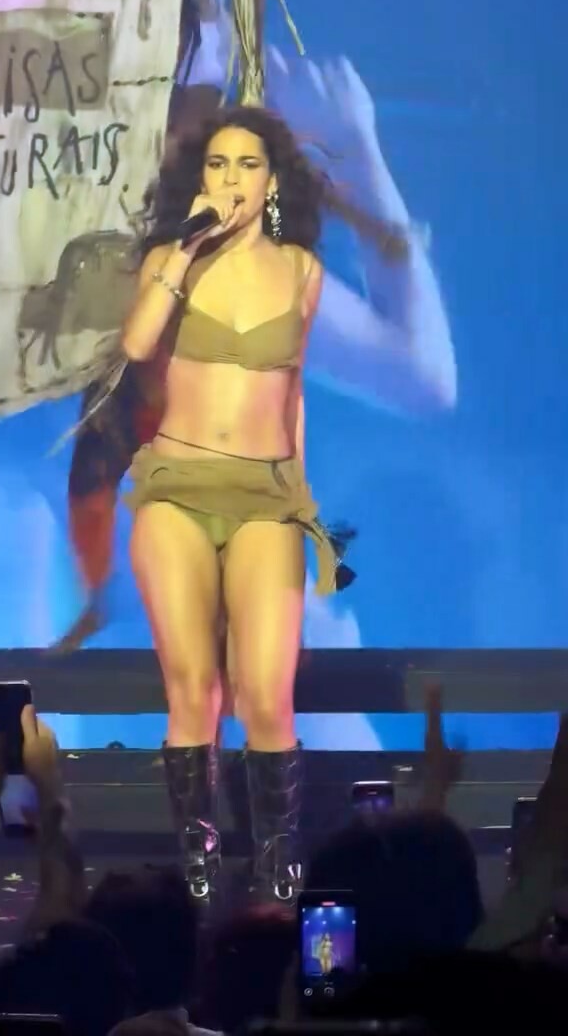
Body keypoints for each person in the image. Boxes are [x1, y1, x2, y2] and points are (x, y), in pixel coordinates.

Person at [117, 103, 409, 905]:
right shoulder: (170, 260)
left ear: (273, 182)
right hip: (177, 488)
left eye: (248, 165)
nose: (231, 179)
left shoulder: (302, 273)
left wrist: (304, 504)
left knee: (266, 694)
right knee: (194, 690)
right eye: (218, 164)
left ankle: (278, 863)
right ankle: (201, 866)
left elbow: (292, 391)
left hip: (266, 494)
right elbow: (136, 344)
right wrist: (183, 251)